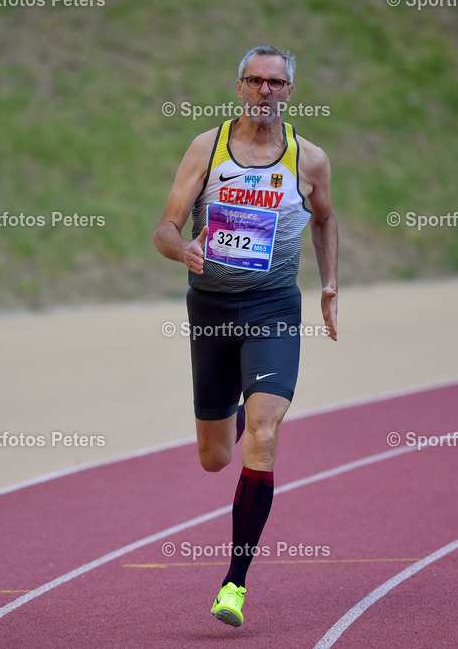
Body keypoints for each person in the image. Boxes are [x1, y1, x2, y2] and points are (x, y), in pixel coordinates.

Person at [153, 46, 338, 627]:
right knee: (215, 457)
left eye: (275, 83)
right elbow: (164, 227)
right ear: (239, 87)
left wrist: (330, 284)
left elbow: (325, 218)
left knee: (264, 432)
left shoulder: (309, 159)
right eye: (255, 81)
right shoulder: (207, 148)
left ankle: (234, 583)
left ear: (289, 91)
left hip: (273, 307)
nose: (264, 91)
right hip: (211, 310)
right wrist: (183, 249)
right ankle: (229, 409)